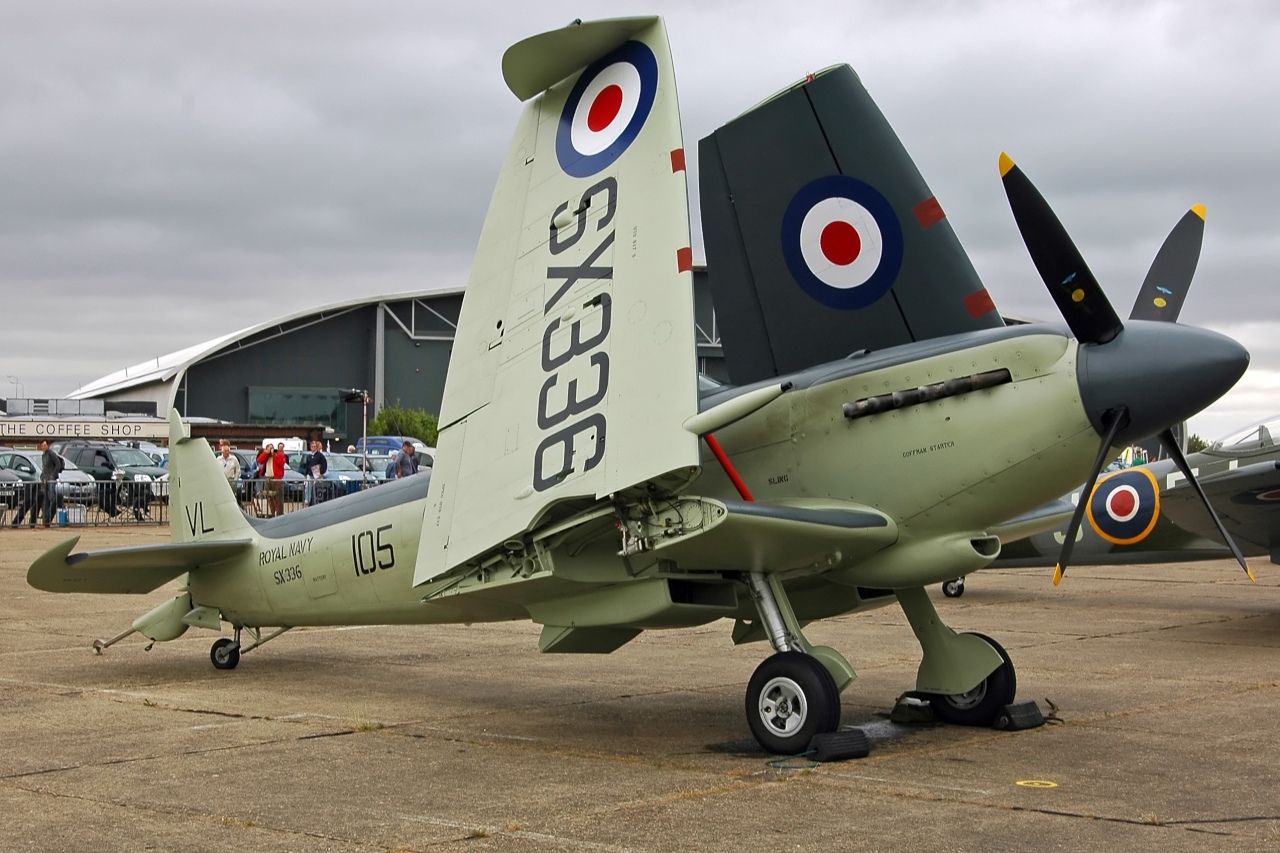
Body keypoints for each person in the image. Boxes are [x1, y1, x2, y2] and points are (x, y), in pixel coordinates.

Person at [39, 440, 64, 528]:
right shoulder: (44, 455)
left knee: (52, 497)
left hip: (51, 479)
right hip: (45, 479)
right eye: (42, 445)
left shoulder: (51, 454)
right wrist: (42, 477)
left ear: (48, 445)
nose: (44, 447)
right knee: (45, 497)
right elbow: (44, 468)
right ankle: (46, 514)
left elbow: (58, 464)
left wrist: (53, 475)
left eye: (45, 445)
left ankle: (53, 513)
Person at [304, 440, 328, 505]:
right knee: (308, 487)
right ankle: (307, 500)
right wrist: (306, 474)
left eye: (314, 446)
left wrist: (322, 473)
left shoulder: (320, 456)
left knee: (318, 488)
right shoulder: (309, 456)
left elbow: (324, 464)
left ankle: (318, 500)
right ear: (310, 447)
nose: (313, 447)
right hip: (310, 474)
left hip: (317, 475)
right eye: (312, 446)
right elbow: (307, 465)